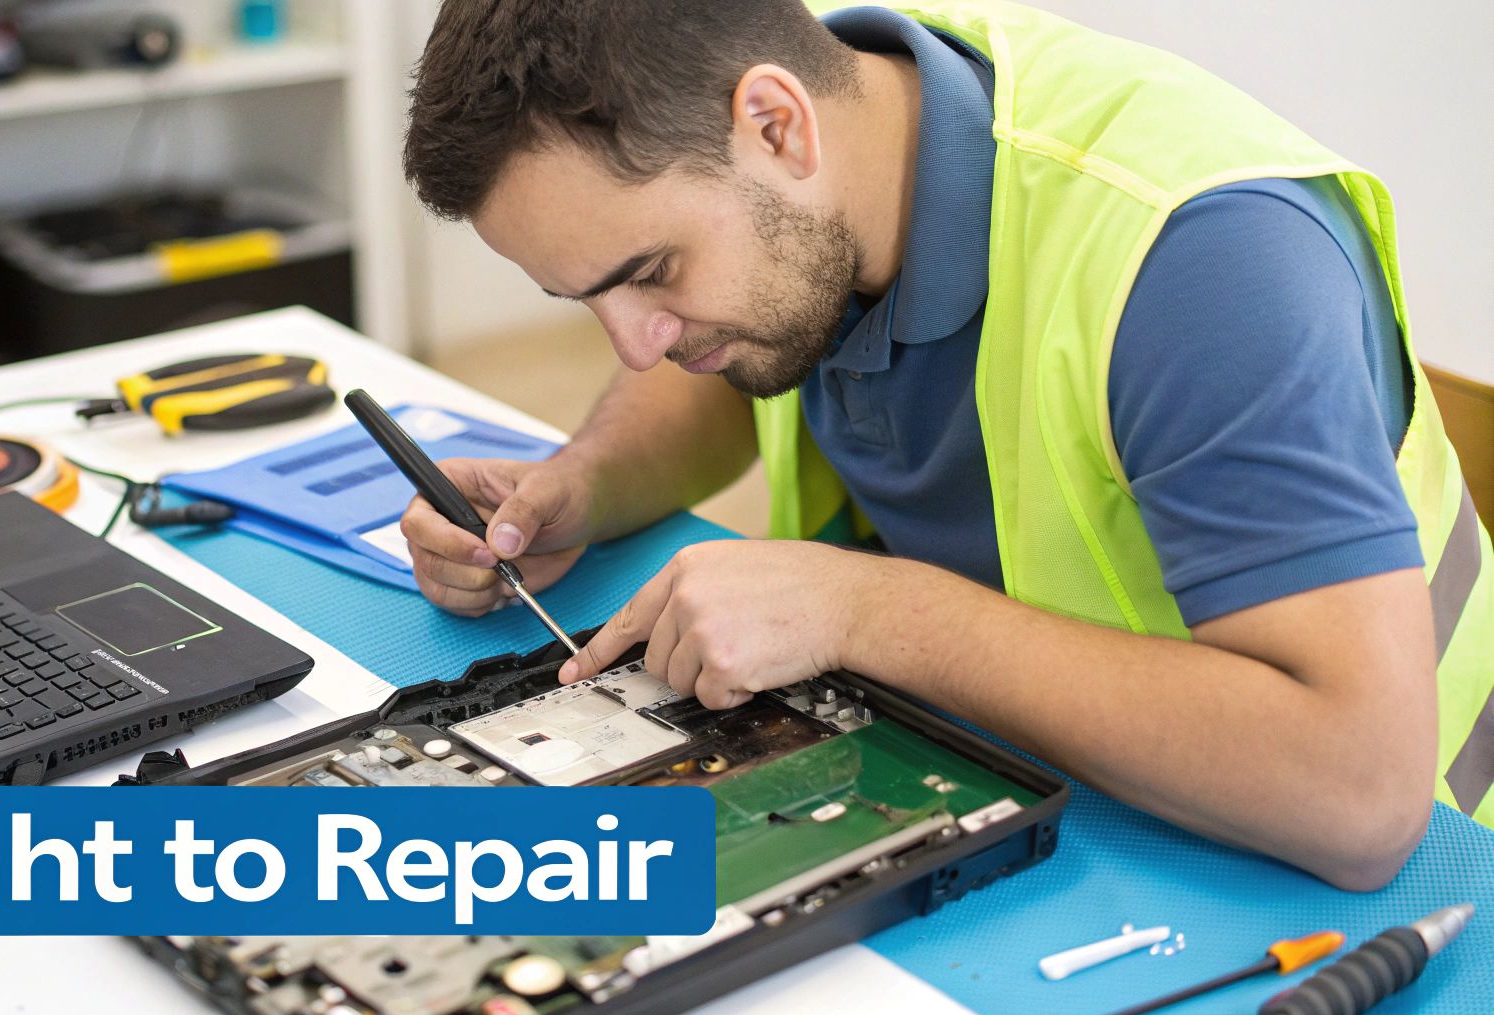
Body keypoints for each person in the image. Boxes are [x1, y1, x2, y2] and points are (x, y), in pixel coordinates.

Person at [396, 0, 1494, 890]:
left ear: (775, 125)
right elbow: (730, 366)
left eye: (647, 273)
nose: (634, 347)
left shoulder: (1206, 260)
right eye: (583, 296)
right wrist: (578, 485)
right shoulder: (841, 139)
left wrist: (863, 609)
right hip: (1017, 790)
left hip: (1375, 883)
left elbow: (1359, 798)